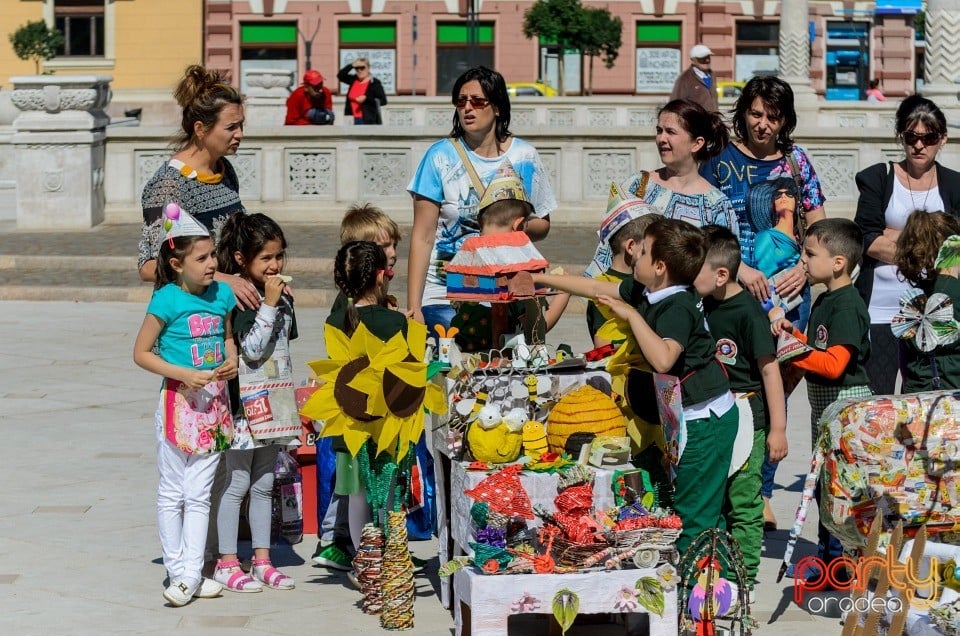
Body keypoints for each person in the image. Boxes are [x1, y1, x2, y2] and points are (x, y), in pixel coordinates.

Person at [532, 219, 739, 559]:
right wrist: (539, 279)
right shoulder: (652, 288)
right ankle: (706, 581)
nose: (635, 256)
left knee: (693, 510)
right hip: (685, 415)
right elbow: (597, 289)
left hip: (706, 419)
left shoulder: (676, 306)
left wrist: (632, 317)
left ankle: (693, 595)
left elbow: (663, 359)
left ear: (660, 267)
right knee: (696, 502)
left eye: (642, 251)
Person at [702, 75, 826, 528]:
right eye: (755, 114)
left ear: (785, 120)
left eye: (773, 117)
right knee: (736, 390)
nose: (763, 124)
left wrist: (806, 268)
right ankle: (735, 485)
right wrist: (737, 269)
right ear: (743, 113)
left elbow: (819, 229)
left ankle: (761, 488)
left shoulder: (796, 162)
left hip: (792, 300)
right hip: (733, 295)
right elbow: (707, 230)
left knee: (778, 392)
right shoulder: (717, 161)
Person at [132, 204, 237, 606]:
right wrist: (181, 373)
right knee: (173, 491)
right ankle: (181, 572)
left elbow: (226, 337)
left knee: (200, 493)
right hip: (178, 404)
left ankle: (190, 574)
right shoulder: (166, 300)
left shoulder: (223, 294)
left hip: (214, 407)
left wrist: (231, 358)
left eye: (213, 255)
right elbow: (142, 353)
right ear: (176, 263)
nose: (213, 264)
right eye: (203, 258)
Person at [407, 65, 556, 336]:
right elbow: (423, 236)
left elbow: (543, 225)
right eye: (461, 101)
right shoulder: (439, 157)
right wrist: (414, 306)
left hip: (506, 285)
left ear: (497, 107)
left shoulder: (524, 156)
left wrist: (512, 228)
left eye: (477, 101)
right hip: (445, 289)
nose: (467, 108)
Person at [771, 218, 871, 573]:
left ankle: (845, 563)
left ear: (838, 262)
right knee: (823, 489)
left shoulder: (846, 305)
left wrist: (793, 350)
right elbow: (815, 351)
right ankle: (831, 560)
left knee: (842, 493)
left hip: (846, 418)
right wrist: (794, 338)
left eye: (810, 254)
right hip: (824, 416)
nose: (804, 261)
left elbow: (832, 366)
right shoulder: (825, 300)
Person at [694, 226, 787, 597]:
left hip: (748, 416)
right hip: (710, 416)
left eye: (695, 267)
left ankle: (743, 580)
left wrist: (778, 429)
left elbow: (770, 370)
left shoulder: (748, 313)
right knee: (713, 496)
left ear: (720, 274)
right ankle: (710, 571)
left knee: (744, 501)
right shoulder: (700, 303)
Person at [314, 203, 404, 570]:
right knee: (380, 491)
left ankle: (363, 557)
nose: (394, 253)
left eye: (395, 244)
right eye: (385, 248)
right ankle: (371, 555)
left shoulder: (342, 311)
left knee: (355, 492)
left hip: (349, 421)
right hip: (382, 421)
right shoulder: (386, 317)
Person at [212, 212, 297, 593]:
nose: (274, 265)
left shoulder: (278, 297)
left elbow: (284, 344)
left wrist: (280, 303)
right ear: (242, 259)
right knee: (238, 482)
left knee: (265, 483)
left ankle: (262, 559)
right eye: (265, 258)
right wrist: (268, 305)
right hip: (244, 408)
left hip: (276, 404)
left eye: (278, 256)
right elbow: (251, 349)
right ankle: (227, 561)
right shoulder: (241, 299)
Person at [854, 95, 960, 395]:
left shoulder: (954, 185)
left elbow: (957, 247)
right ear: (901, 135)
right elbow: (867, 238)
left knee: (927, 398)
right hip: (882, 309)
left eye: (929, 138)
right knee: (880, 399)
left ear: (943, 139)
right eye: (912, 136)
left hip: (933, 311)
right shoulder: (879, 177)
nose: (919, 145)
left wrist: (893, 235)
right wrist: (930, 246)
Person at [138, 64, 259, 311]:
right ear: (200, 129)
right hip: (189, 321)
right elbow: (150, 266)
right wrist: (220, 278)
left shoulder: (224, 169)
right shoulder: (169, 185)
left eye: (241, 125)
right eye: (231, 127)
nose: (240, 134)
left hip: (226, 313)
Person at [449, 165, 570, 352]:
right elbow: (536, 330)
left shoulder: (468, 257)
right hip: (505, 366)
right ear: (519, 225)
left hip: (465, 359)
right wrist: (564, 292)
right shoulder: (515, 267)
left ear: (480, 221)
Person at [620, 99, 735, 233]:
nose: (661, 139)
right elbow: (607, 248)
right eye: (659, 130)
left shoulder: (717, 206)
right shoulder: (637, 185)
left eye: (670, 132)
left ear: (697, 144)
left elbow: (725, 252)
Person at [584, 190, 662, 347]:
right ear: (631, 247)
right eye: (652, 247)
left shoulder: (650, 281)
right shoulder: (603, 288)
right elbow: (603, 345)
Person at [894, 211, 960, 392]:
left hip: (918, 398)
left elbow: (905, 359)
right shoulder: (954, 294)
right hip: (951, 401)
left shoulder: (915, 296)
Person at [751, 177, 807, 324]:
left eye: (789, 194)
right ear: (772, 204)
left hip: (799, 304)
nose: (783, 197)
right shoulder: (766, 237)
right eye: (778, 195)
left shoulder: (802, 240)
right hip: (776, 309)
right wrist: (771, 309)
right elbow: (761, 278)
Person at [337, 57, 387, 125]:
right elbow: (340, 76)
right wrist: (351, 65)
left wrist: (366, 99)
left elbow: (383, 101)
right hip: (351, 118)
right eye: (357, 68)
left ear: (368, 68)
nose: (359, 70)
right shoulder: (354, 80)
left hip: (367, 119)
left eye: (362, 68)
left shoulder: (374, 83)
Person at [670, 44, 719, 113]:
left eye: (708, 57)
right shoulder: (685, 78)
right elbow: (675, 104)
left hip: (713, 121)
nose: (707, 60)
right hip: (695, 121)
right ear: (693, 60)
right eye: (702, 58)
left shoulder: (712, 75)